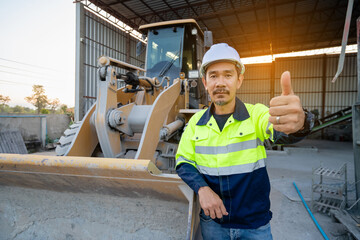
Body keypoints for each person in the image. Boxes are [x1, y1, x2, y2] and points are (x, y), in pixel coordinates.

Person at [175, 43, 314, 240]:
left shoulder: (255, 115)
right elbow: (183, 161)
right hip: (213, 223)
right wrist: (202, 188)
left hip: (254, 226)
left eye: (228, 75)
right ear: (205, 83)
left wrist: (301, 122)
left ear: (239, 80)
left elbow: (280, 128)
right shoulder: (196, 123)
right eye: (213, 76)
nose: (220, 83)